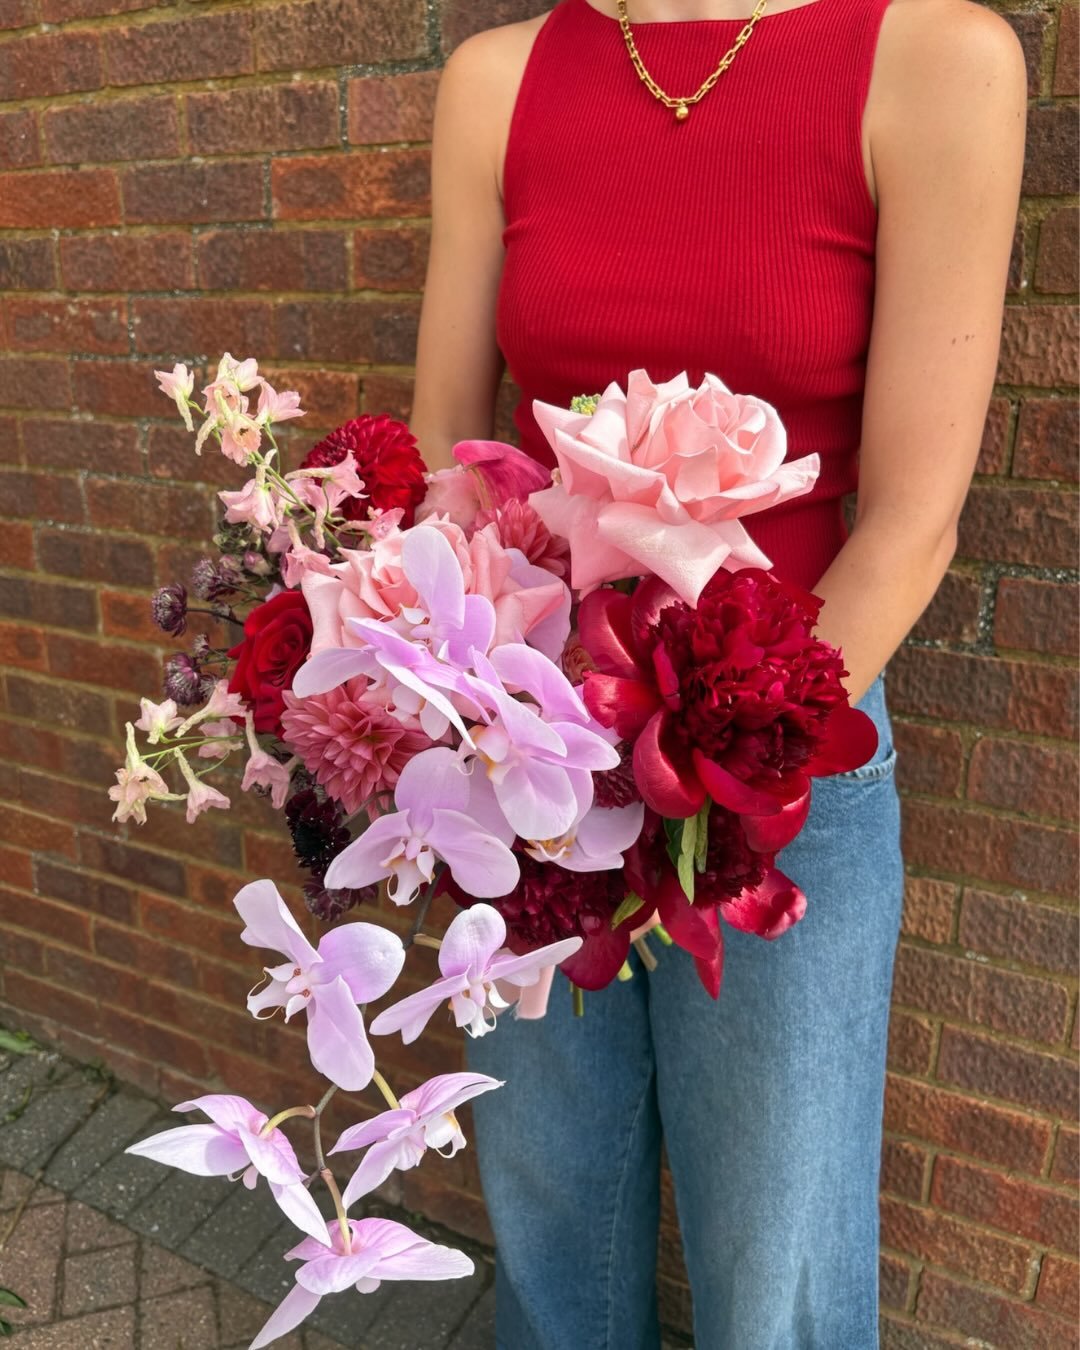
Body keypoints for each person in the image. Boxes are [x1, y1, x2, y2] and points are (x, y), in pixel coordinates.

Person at [408, 0, 1026, 1345]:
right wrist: (452, 694)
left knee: (779, 1262)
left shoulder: (931, 61)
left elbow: (913, 517)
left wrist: (720, 760)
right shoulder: (496, 86)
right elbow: (452, 446)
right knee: (549, 1216)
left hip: (779, 767)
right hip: (534, 762)